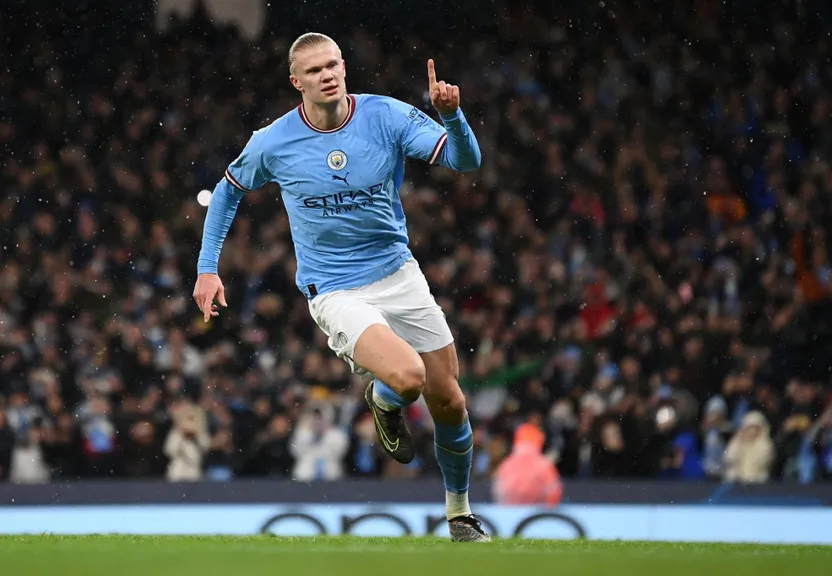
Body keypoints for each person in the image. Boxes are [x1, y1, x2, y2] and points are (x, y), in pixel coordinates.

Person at [192, 32, 488, 541]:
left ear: (344, 67)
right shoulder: (273, 142)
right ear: (296, 82)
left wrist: (452, 117)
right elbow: (226, 192)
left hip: (399, 273)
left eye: (332, 65)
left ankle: (459, 513)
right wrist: (207, 267)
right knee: (409, 377)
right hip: (335, 289)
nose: (326, 75)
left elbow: (466, 162)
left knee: (451, 402)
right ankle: (385, 399)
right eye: (314, 71)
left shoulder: (386, 116)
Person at [493, 423, 563, 506]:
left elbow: (498, 493)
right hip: (536, 514)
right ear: (539, 442)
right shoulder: (543, 465)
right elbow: (554, 492)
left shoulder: (506, 464)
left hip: (511, 513)